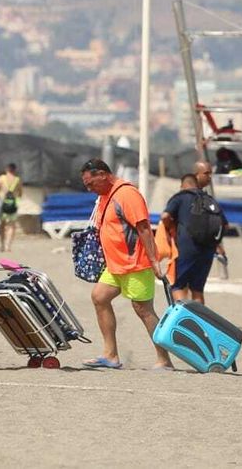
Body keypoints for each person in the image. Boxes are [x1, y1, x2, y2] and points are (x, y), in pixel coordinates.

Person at [80, 159, 174, 371]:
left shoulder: (127, 194)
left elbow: (144, 228)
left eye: (90, 183)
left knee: (143, 310)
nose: (89, 189)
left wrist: (154, 262)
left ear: (103, 175)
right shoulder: (105, 196)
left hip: (136, 263)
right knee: (99, 297)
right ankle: (110, 355)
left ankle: (164, 359)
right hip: (116, 265)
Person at [160, 165, 227, 305]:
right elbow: (225, 225)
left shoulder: (180, 197)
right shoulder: (209, 199)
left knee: (178, 285)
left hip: (187, 248)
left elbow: (165, 216)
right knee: (197, 290)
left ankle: (183, 319)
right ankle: (199, 321)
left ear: (183, 185)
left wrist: (169, 227)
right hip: (208, 248)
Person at [0, 162, 23, 252]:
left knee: (2, 225)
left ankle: (2, 245)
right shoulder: (17, 180)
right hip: (12, 204)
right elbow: (20, 193)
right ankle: (8, 246)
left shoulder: (1, 178)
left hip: (2, 204)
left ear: (6, 169)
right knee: (12, 226)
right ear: (15, 170)